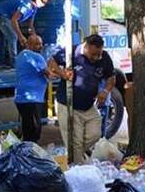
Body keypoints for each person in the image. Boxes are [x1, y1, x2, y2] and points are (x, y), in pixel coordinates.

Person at [49, 34, 115, 164]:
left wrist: (106, 91)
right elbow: (51, 62)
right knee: (76, 141)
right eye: (93, 54)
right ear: (86, 47)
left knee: (96, 133)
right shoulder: (71, 52)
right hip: (68, 104)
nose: (96, 58)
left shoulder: (104, 57)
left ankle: (74, 155)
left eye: (99, 54)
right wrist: (63, 74)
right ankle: (78, 168)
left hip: (89, 105)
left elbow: (111, 78)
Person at [0, 0, 51, 68]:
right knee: (13, 36)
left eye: (46, 2)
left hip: (2, 13)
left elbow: (30, 26)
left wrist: (35, 38)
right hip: (1, 14)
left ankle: (0, 62)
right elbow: (14, 20)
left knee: (3, 38)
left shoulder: (34, 9)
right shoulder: (27, 5)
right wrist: (21, 37)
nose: (44, 4)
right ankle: (14, 64)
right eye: (43, 1)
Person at [15, 34, 51, 142]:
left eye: (41, 43)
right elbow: (48, 73)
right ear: (29, 44)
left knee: (27, 127)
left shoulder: (21, 55)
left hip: (22, 98)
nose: (40, 46)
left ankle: (27, 151)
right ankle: (31, 153)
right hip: (32, 99)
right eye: (37, 44)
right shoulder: (36, 56)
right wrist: (62, 74)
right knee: (34, 130)